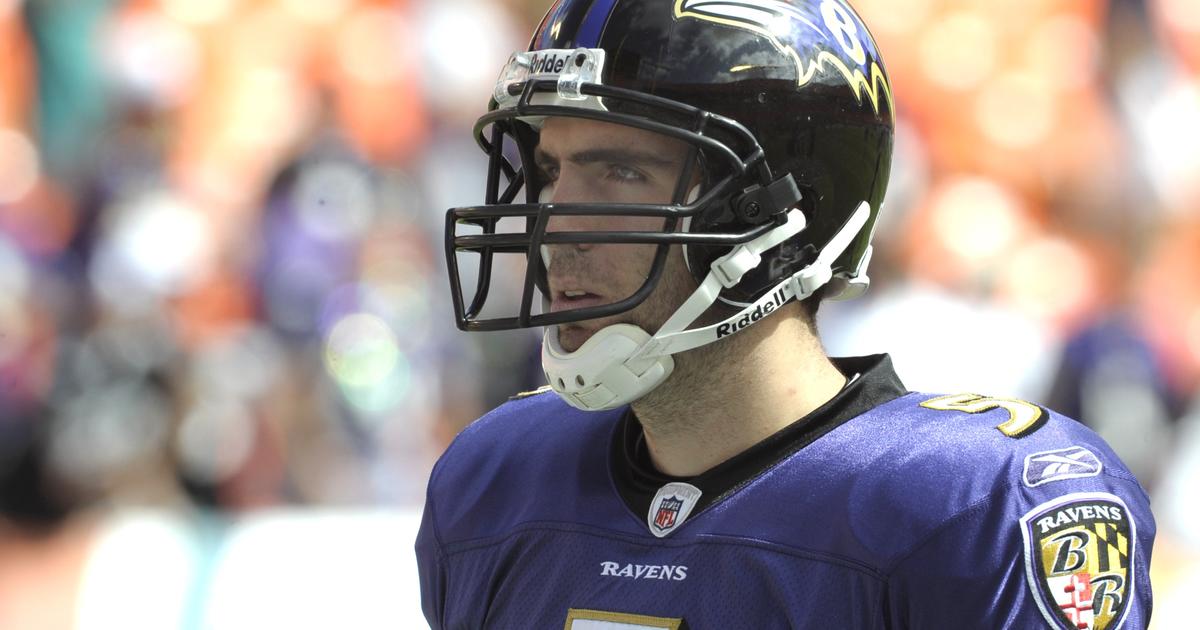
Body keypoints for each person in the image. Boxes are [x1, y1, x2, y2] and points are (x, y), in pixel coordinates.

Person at [417, 0, 1155, 627]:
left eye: (619, 171)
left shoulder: (970, 506)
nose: (553, 223)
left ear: (778, 216)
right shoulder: (496, 480)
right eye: (549, 172)